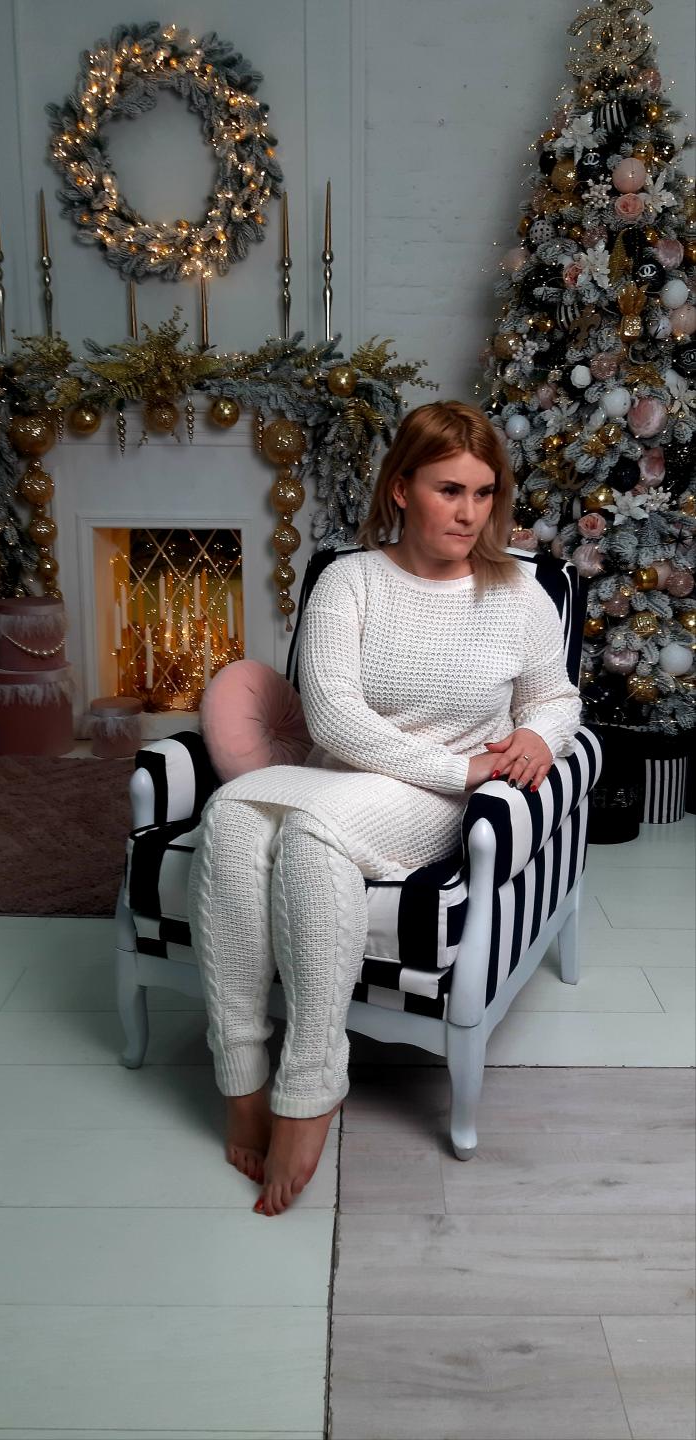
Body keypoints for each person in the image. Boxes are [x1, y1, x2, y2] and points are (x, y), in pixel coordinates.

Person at [188, 400, 582, 1218]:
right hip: (360, 776)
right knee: (230, 817)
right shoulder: (350, 580)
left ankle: (310, 1087)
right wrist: (457, 762)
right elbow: (333, 719)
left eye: (482, 493)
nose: (469, 513)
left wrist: (537, 735)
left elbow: (555, 697)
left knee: (308, 834)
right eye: (449, 490)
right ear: (401, 488)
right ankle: (241, 1078)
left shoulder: (518, 595)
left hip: (436, 804)